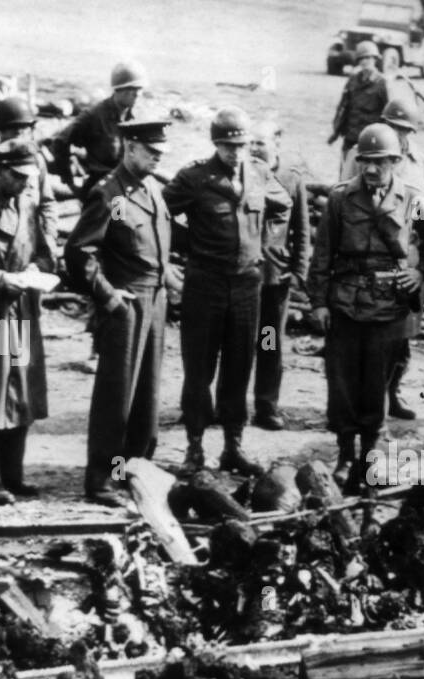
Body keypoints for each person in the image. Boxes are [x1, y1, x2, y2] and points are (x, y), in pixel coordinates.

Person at [307, 124, 424, 491]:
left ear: (395, 162)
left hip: (387, 308)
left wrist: (419, 271)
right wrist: (318, 303)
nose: (370, 169)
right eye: (365, 161)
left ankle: (368, 455)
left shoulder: (413, 201)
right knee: (342, 383)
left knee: (374, 385)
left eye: (379, 162)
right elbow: (322, 255)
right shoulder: (339, 199)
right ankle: (345, 454)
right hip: (346, 305)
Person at [163, 108, 291, 475]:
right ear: (215, 144)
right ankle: (195, 447)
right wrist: (189, 243)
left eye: (241, 145)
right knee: (199, 369)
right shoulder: (195, 177)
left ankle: (233, 445)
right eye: (227, 146)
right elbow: (161, 212)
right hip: (205, 285)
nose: (235, 152)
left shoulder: (260, 173)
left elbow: (283, 206)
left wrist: (263, 245)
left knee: (239, 367)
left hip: (246, 286)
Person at [64, 119, 176, 507]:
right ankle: (102, 480)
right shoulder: (110, 195)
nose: (157, 157)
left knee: (147, 394)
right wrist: (109, 298)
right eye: (151, 151)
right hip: (126, 305)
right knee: (117, 396)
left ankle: (135, 468)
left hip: (155, 302)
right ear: (130, 147)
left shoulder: (152, 189)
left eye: (161, 152)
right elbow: (80, 252)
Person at [0, 140, 56, 505]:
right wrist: (2, 279)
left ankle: (13, 475)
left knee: (23, 392)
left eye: (28, 178)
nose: (23, 184)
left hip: (23, 309)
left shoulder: (26, 203)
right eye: (17, 177)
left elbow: (43, 253)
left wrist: (36, 269)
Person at [343, 99, 424, 420]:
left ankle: (391, 392)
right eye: (393, 127)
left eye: (404, 130)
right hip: (365, 262)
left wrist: (423, 268)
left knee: (401, 338)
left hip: (405, 264)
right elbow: (346, 197)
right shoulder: (360, 154)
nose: (398, 134)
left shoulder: (420, 163)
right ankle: (363, 400)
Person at [250, 121, 310, 432]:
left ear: (276, 142)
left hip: (275, 279)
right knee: (239, 343)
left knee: (269, 343)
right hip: (245, 277)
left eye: (260, 142)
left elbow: (301, 229)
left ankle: (266, 405)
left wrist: (299, 269)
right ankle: (228, 404)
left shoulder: (291, 178)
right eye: (250, 143)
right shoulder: (242, 173)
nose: (254, 149)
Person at [51, 60, 147, 201]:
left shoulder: (134, 118)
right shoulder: (94, 116)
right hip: (98, 191)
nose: (137, 94)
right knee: (94, 223)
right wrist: (69, 181)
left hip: (120, 192)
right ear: (118, 90)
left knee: (118, 221)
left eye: (140, 89)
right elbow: (60, 142)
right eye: (132, 89)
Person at [329, 41, 390, 173]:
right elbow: (343, 107)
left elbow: (388, 115)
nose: (365, 61)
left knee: (368, 177)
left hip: (371, 142)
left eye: (368, 57)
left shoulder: (382, 83)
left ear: (375, 59)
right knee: (345, 176)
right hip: (350, 138)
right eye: (361, 58)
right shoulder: (353, 80)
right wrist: (336, 131)